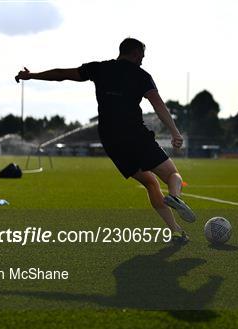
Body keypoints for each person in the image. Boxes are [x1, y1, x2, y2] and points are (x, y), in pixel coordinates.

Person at [15, 38, 195, 243]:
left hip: (111, 141)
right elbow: (158, 105)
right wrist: (175, 132)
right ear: (135, 53)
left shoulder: (99, 68)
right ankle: (175, 196)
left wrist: (32, 76)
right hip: (135, 135)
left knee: (150, 182)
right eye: (142, 57)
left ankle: (175, 231)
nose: (143, 61)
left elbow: (61, 74)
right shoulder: (142, 76)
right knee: (173, 175)